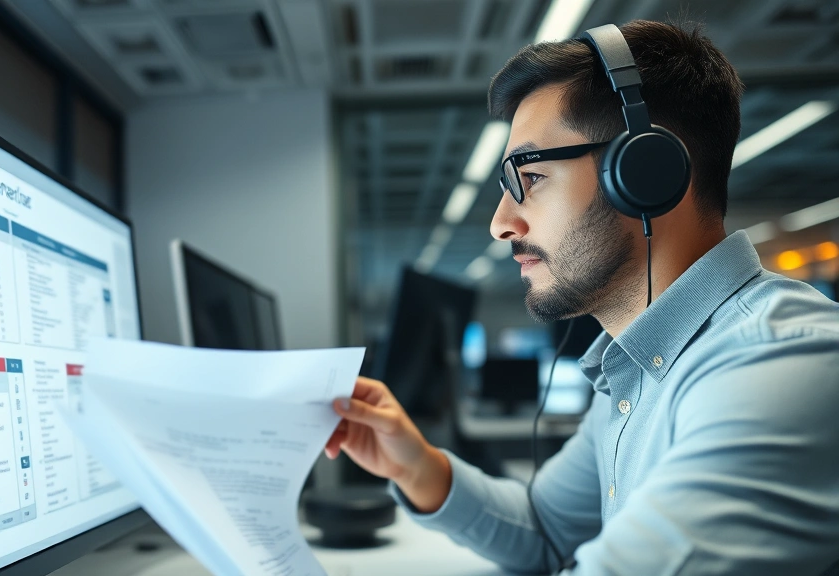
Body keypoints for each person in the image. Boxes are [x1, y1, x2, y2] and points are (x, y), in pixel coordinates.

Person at [324, 19, 839, 575]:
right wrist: (415, 466)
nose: (500, 223)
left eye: (531, 177)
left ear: (646, 172)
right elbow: (547, 531)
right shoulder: (638, 370)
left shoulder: (781, 363)